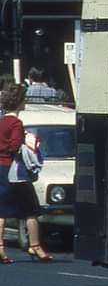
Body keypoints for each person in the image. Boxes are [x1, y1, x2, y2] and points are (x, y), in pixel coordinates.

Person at [0, 84, 52, 263]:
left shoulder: (0, 121)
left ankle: (0, 248)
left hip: (0, 168)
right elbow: (14, 146)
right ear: (20, 102)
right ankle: (35, 245)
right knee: (31, 208)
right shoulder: (16, 123)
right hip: (13, 170)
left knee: (2, 210)